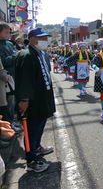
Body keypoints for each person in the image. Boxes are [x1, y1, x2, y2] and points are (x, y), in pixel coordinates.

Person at [15, 28, 55, 172]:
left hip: (42, 98)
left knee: (39, 125)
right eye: (41, 38)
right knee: (31, 129)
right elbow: (25, 80)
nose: (45, 41)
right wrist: (24, 99)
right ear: (31, 39)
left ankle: (37, 148)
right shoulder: (27, 55)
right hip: (32, 100)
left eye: (45, 38)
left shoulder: (41, 53)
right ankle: (31, 160)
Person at [0, 22, 22, 133]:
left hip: (13, 76)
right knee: (7, 102)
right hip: (5, 78)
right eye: (6, 32)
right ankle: (9, 125)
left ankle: (11, 123)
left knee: (12, 101)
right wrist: (15, 55)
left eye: (9, 32)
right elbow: (3, 62)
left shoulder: (9, 43)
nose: (9, 34)